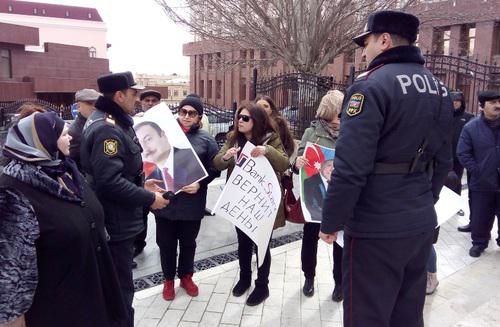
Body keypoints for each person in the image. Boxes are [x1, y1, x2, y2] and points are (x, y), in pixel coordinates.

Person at [318, 11, 453, 327]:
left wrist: (331, 221)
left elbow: (350, 168)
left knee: (367, 316)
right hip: (419, 220)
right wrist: (421, 200)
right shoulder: (440, 90)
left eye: (365, 44)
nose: (363, 53)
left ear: (385, 40)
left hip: (374, 229)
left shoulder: (369, 87)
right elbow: (444, 161)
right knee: (407, 314)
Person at [0, 111, 126, 326]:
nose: (71, 137)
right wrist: (13, 317)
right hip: (59, 305)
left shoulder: (64, 170)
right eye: (64, 134)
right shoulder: (13, 191)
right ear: (42, 141)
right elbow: (11, 266)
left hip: (93, 285)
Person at [80, 71, 169, 327]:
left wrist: (142, 183)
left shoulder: (113, 122)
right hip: (116, 223)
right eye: (133, 94)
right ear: (119, 95)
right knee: (120, 292)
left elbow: (117, 172)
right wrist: (148, 198)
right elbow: (109, 182)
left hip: (117, 219)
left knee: (118, 288)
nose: (137, 99)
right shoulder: (108, 130)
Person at [145, 94, 220, 301]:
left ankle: (186, 276)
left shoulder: (206, 139)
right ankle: (168, 280)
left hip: (191, 204)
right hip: (165, 202)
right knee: (166, 244)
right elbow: (151, 160)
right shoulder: (165, 134)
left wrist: (199, 184)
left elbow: (215, 169)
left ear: (199, 117)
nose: (186, 116)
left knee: (188, 243)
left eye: (192, 113)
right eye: (183, 112)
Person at [213, 103, 289, 306]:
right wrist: (228, 157)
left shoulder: (271, 138)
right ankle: (244, 279)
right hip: (241, 202)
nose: (240, 121)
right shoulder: (233, 139)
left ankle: (262, 286)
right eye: (239, 117)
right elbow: (217, 162)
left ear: (256, 120)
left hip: (263, 203)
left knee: (262, 246)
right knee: (244, 243)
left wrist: (267, 151)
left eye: (245, 118)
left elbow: (284, 163)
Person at [292, 89, 344, 301]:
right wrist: (297, 163)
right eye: (340, 113)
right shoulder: (311, 133)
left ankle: (340, 282)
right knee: (310, 239)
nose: (343, 118)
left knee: (340, 242)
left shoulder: (353, 131)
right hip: (315, 198)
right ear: (329, 112)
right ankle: (309, 277)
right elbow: (298, 164)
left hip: (340, 197)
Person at [457, 90, 500, 258]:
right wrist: (478, 172)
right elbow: (463, 153)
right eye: (492, 102)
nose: (497, 105)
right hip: (482, 183)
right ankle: (479, 243)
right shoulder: (471, 128)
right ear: (482, 106)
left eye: (498, 101)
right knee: (481, 215)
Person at [134, 121, 206, 193]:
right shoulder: (149, 180)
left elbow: (213, 169)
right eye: (139, 143)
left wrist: (199, 184)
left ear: (163, 135)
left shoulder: (191, 157)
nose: (144, 148)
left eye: (148, 139)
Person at [449, 91, 475, 231]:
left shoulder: (468, 117)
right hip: (444, 155)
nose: (455, 103)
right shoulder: (444, 116)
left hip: (459, 156)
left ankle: (456, 205)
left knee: (457, 181)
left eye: (458, 101)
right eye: (453, 101)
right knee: (442, 180)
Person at [68, 88, 101, 168]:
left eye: (96, 103)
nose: (94, 107)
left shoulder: (99, 122)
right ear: (78, 106)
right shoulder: (75, 131)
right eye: (90, 103)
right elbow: (74, 162)